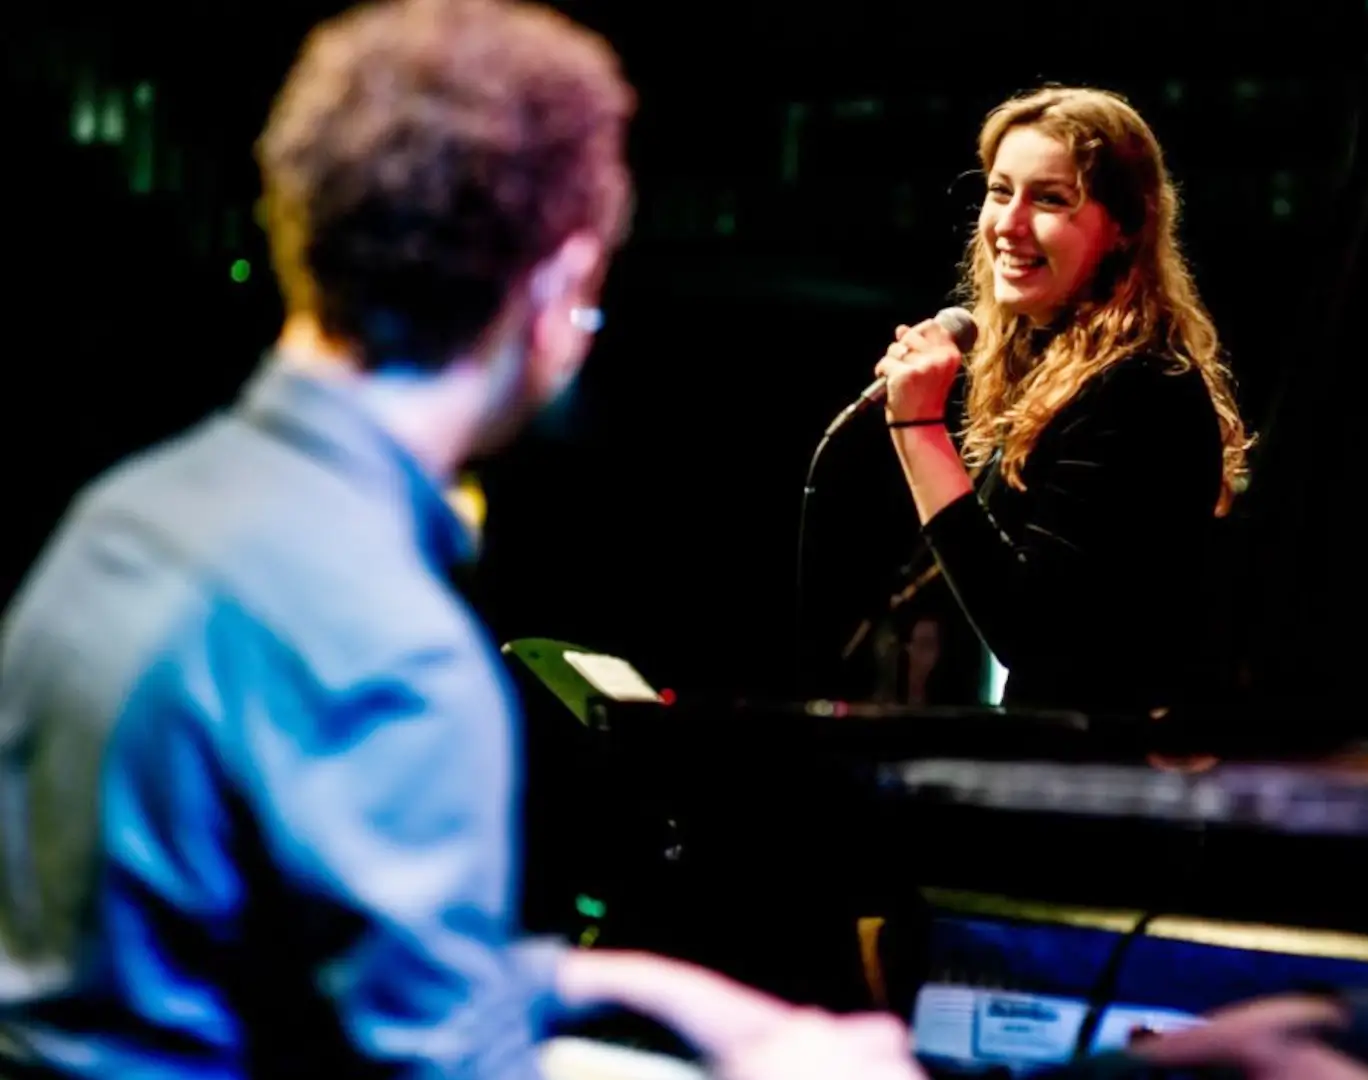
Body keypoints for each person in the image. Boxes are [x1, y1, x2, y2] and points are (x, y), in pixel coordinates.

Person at [0, 2, 921, 1078]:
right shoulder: (389, 650)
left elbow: (302, 965)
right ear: (555, 286)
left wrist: (635, 985)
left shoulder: (123, 519)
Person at [873, 86, 1251, 713]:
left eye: (1050, 199)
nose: (1010, 224)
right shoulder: (1053, 368)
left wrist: (918, 427)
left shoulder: (1139, 386)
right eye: (999, 191)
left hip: (1108, 785)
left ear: (1126, 226)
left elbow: (1034, 632)